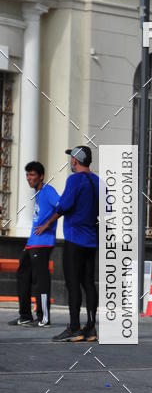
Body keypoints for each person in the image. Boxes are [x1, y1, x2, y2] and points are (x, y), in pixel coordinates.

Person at [35, 146, 100, 343]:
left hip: (74, 238)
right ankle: (91, 328)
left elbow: (63, 206)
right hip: (92, 240)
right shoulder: (99, 181)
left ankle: (74, 328)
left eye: (72, 158)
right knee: (88, 283)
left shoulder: (74, 180)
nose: (71, 161)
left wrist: (47, 223)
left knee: (73, 283)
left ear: (75, 161)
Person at [8, 161, 58, 327]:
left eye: (32, 175)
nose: (29, 178)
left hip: (43, 243)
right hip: (32, 243)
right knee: (23, 275)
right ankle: (25, 315)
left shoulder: (48, 190)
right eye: (27, 175)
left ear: (41, 176)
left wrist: (47, 224)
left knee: (40, 281)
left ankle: (44, 318)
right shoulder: (38, 194)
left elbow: (62, 207)